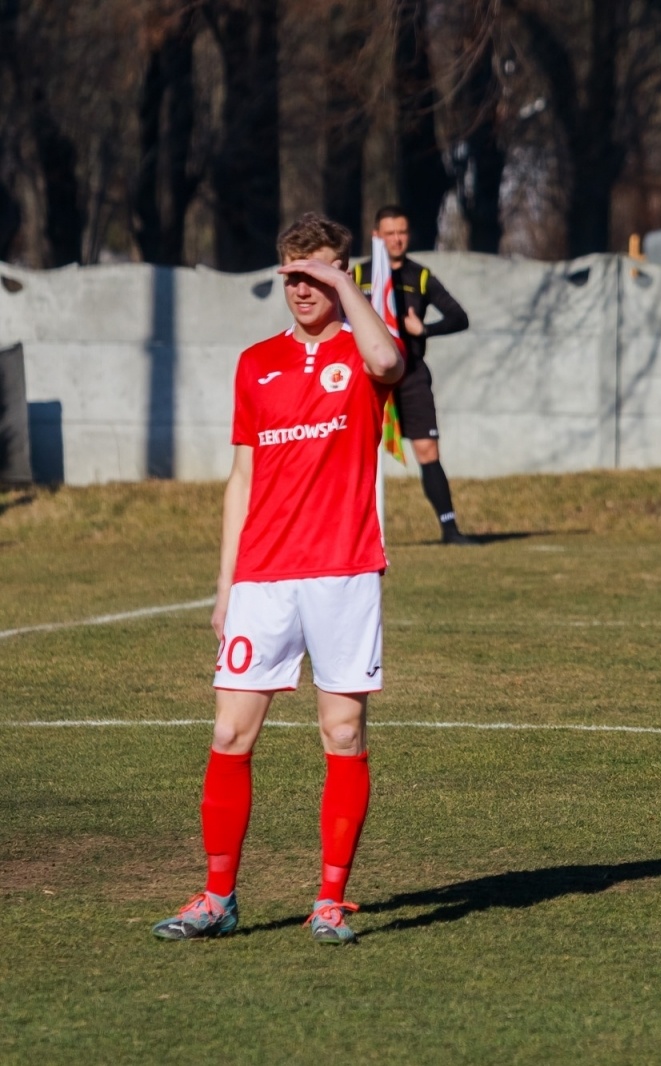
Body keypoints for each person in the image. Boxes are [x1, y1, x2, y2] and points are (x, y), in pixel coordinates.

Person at [151, 213, 404, 945]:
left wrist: (344, 287)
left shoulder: (361, 352)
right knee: (230, 731)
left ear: (343, 274)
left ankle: (329, 901)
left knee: (344, 730)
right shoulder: (255, 362)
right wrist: (224, 585)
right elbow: (241, 478)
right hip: (263, 575)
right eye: (291, 274)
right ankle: (217, 897)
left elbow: (389, 362)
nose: (301, 287)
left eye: (317, 272)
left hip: (346, 570)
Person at [354, 205, 476, 545]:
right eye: (389, 232)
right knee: (355, 453)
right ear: (376, 236)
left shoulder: (420, 276)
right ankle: (352, 533)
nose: (396, 239)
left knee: (427, 449)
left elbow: (459, 317)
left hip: (411, 375)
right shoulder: (358, 276)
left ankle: (450, 529)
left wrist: (424, 329)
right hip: (367, 376)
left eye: (402, 232)